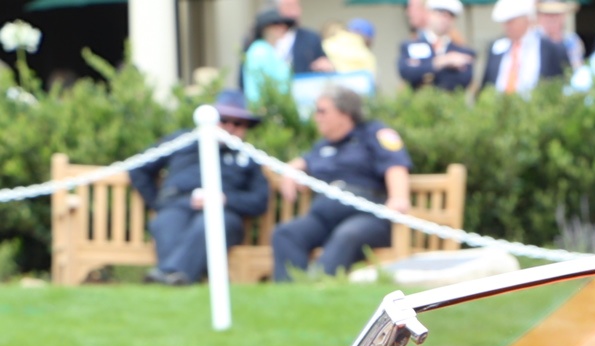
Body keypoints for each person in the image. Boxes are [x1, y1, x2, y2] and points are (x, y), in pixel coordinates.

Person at [128, 90, 270, 286]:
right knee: (167, 222)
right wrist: (159, 203)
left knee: (210, 224)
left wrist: (225, 199)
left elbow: (260, 200)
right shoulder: (183, 140)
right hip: (177, 204)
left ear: (245, 127)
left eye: (238, 123)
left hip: (223, 212)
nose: (230, 127)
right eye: (224, 120)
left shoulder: (247, 157)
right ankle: (177, 279)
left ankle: (166, 275)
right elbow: (139, 168)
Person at [269, 87, 412, 282]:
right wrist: (291, 171)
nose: (316, 117)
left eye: (322, 111)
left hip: (367, 215)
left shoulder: (374, 133)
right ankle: (291, 293)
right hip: (323, 218)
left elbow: (395, 164)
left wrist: (399, 197)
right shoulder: (323, 145)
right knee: (286, 234)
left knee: (347, 235)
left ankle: (318, 287)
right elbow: (305, 161)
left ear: (344, 113)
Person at [480, 0, 570, 93]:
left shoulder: (551, 49)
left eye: (511, 21)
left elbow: (562, 82)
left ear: (526, 19)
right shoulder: (497, 48)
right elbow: (486, 84)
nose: (507, 27)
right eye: (504, 22)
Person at [398, 0, 477, 92]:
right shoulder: (411, 46)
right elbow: (407, 73)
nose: (444, 20)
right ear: (429, 14)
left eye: (449, 16)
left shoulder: (462, 51)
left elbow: (463, 81)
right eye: (440, 14)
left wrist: (422, 67)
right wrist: (442, 62)